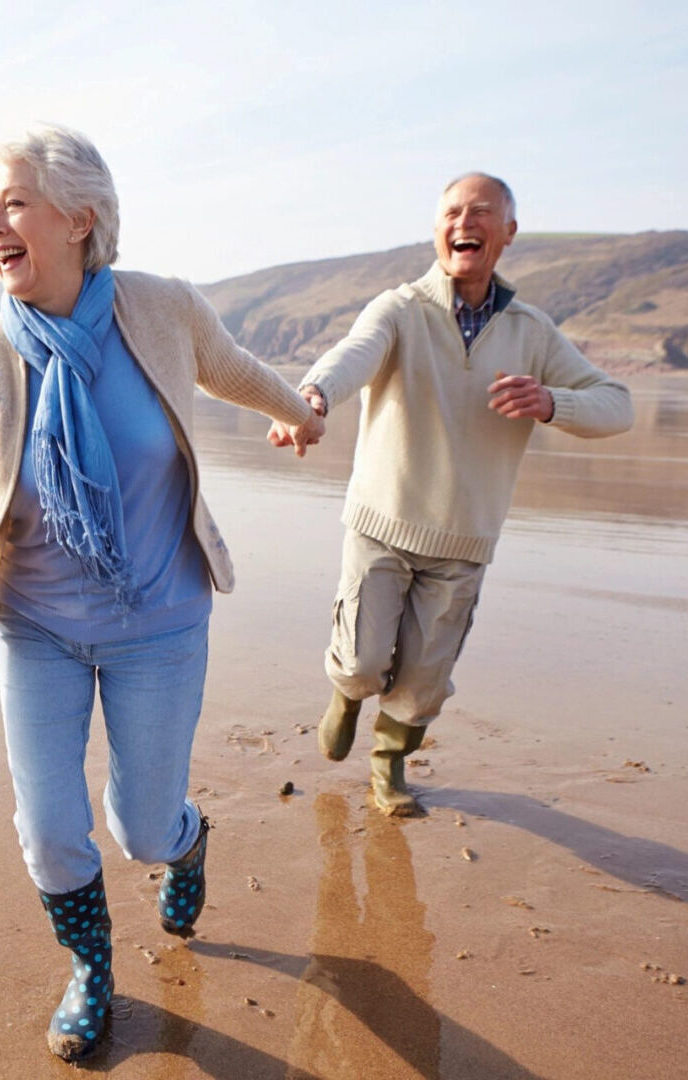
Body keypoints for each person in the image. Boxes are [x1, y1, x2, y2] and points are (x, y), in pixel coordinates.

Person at [0, 123, 324, 1062]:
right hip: (35, 628)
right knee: (50, 832)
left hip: (161, 622)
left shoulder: (163, 311)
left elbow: (237, 373)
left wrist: (302, 414)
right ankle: (91, 970)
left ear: (81, 217)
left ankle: (189, 842)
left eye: (12, 203)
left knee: (141, 826)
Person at [269, 172, 634, 817]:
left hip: (465, 539)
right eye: (452, 212)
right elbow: (352, 354)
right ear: (437, 227)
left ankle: (388, 765)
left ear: (508, 233)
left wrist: (553, 401)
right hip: (382, 521)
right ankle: (347, 695)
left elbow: (617, 406)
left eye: (481, 212)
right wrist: (312, 397)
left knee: (422, 681)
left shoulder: (532, 331)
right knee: (361, 660)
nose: (464, 222)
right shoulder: (400, 308)